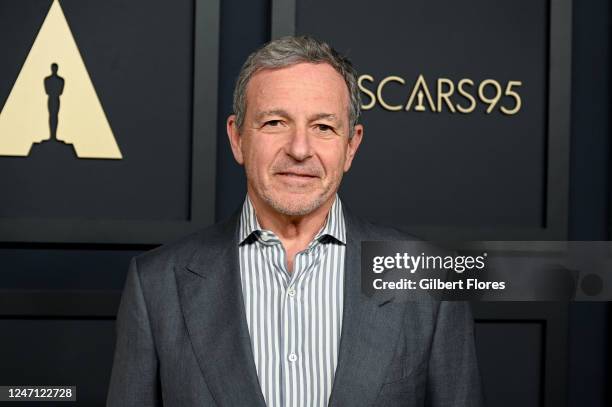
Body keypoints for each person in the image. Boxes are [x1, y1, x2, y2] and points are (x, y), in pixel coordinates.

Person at [107, 36, 483, 407]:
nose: (300, 149)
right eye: (275, 122)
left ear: (351, 146)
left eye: (323, 127)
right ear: (237, 138)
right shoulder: (157, 285)